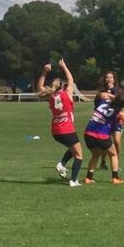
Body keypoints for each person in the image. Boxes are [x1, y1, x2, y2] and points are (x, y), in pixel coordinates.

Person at [36, 59, 83, 188]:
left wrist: (44, 72)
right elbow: (71, 79)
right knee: (79, 155)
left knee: (73, 149)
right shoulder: (67, 94)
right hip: (67, 129)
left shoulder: (51, 96)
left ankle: (61, 164)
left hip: (56, 131)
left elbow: (40, 88)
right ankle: (73, 181)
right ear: (63, 86)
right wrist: (64, 67)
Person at [83, 89, 124, 185]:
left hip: (88, 134)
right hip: (102, 136)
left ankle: (88, 178)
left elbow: (100, 94)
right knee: (113, 154)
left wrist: (112, 96)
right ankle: (115, 178)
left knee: (95, 155)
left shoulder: (104, 101)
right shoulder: (119, 112)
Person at [94, 71, 119, 171]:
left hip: (116, 119)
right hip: (105, 120)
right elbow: (96, 105)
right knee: (105, 142)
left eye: (111, 77)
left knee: (117, 141)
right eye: (107, 77)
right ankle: (103, 162)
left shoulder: (117, 90)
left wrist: (112, 91)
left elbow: (121, 100)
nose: (109, 79)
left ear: (114, 79)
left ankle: (117, 161)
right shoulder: (101, 91)